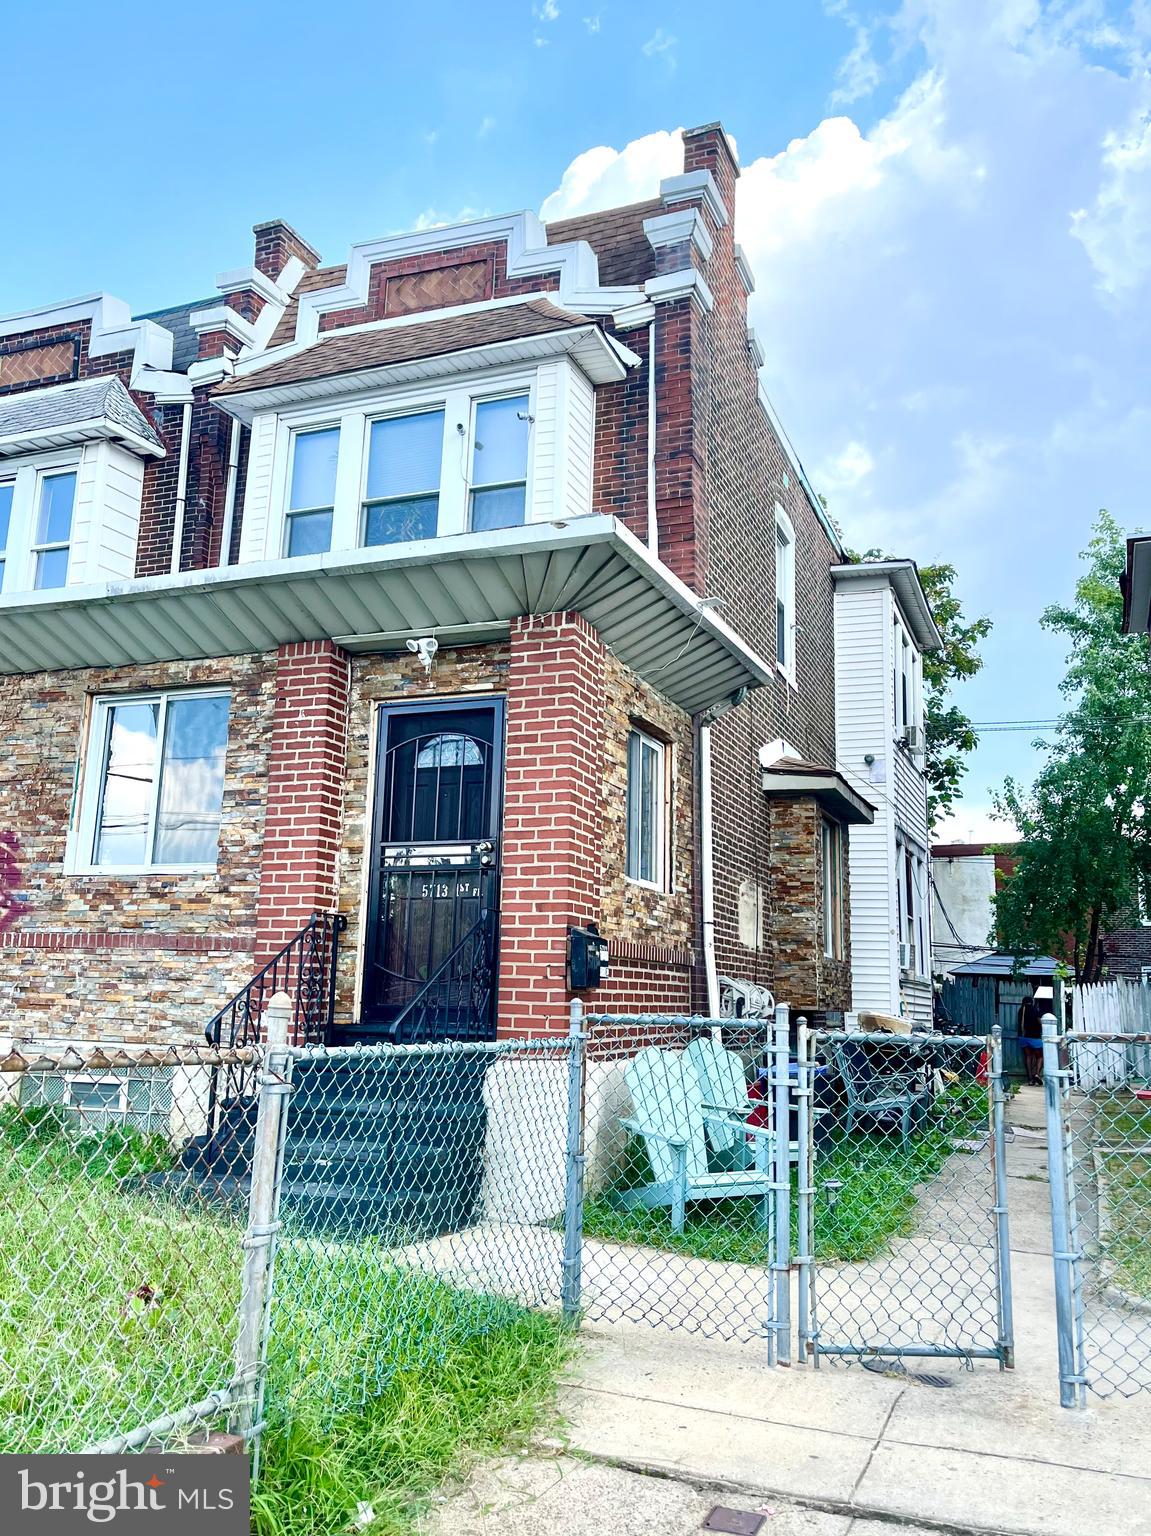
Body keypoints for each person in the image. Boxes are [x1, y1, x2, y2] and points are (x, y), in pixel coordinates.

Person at [1018, 989, 1045, 1087]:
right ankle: (1037, 1074)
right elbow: (1040, 1022)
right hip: (1035, 1037)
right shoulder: (1035, 1010)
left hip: (1023, 1037)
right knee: (1040, 1056)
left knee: (1028, 1057)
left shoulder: (1021, 1010)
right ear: (1032, 1002)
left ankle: (1030, 1078)